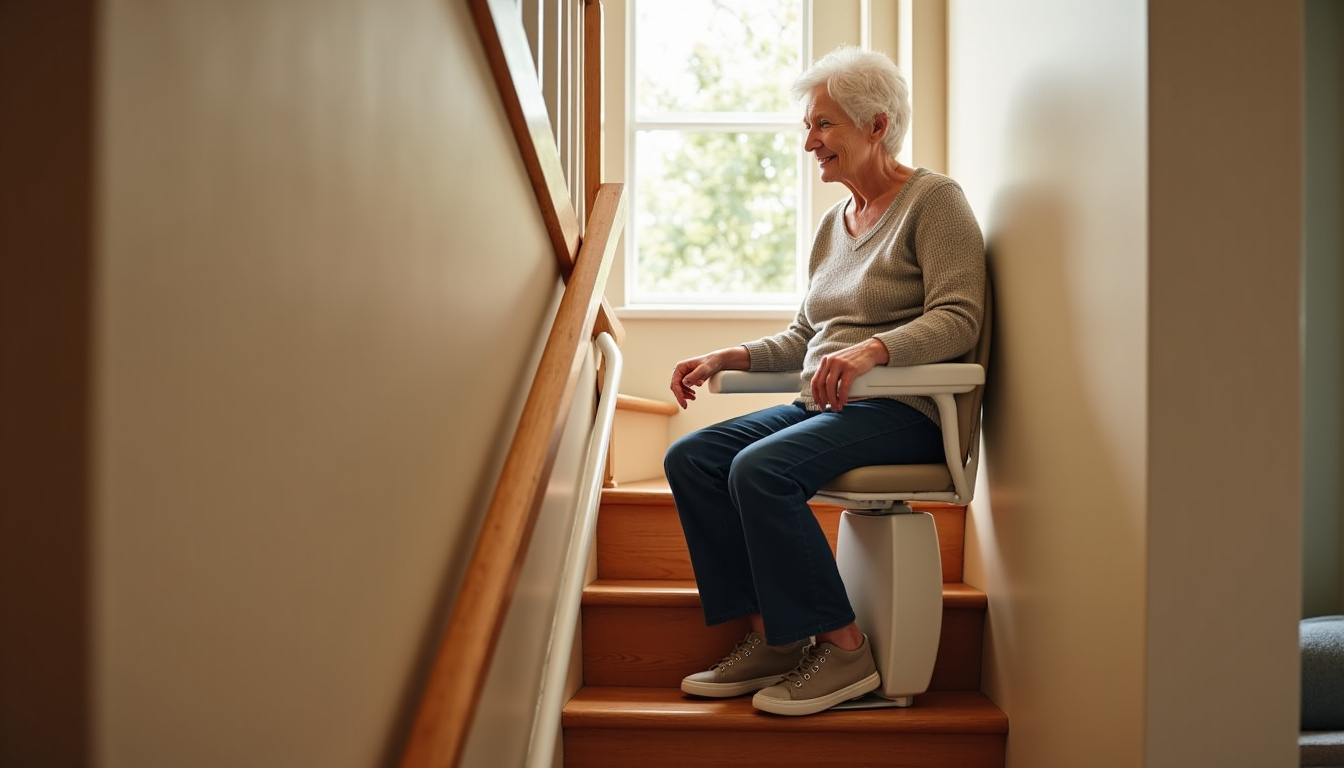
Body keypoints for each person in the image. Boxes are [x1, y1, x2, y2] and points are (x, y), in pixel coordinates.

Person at [663, 45, 986, 717]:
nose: (809, 142)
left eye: (823, 125)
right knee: (693, 458)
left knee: (759, 470)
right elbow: (806, 337)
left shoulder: (934, 202)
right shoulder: (832, 227)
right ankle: (775, 638)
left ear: (875, 124)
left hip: (908, 410)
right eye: (809, 127)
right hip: (832, 405)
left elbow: (960, 318)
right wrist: (731, 356)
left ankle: (844, 650)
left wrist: (873, 351)